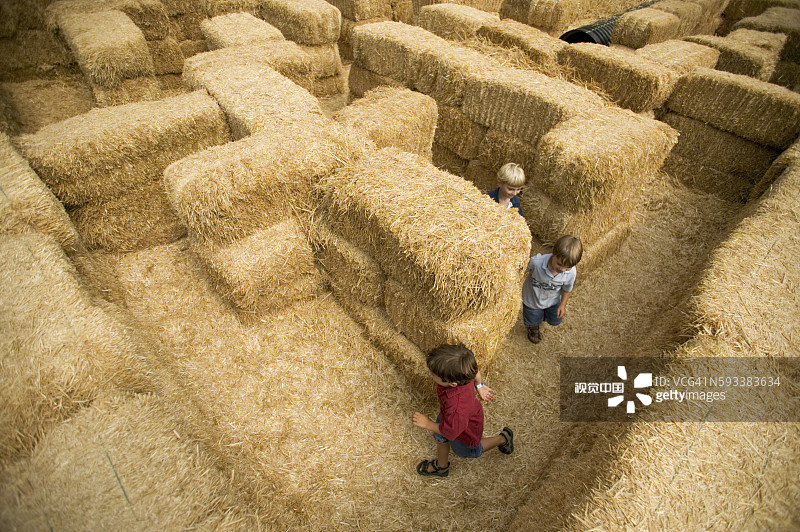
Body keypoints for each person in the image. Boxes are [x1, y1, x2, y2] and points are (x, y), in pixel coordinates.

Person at [412, 344, 514, 477]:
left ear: (452, 383)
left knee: (469, 451)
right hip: (449, 416)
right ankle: (442, 467)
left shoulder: (456, 408)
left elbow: (451, 431)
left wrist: (427, 424)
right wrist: (479, 385)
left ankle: (503, 438)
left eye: (433, 374)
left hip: (464, 431)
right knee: (440, 435)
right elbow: (475, 370)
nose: (430, 374)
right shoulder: (463, 370)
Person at [522, 235, 582, 344]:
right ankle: (533, 328)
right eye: (559, 264)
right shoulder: (536, 263)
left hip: (553, 301)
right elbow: (520, 270)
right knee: (533, 318)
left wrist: (562, 304)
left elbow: (567, 289)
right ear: (554, 252)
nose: (562, 269)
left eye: (567, 268)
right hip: (532, 300)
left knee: (554, 320)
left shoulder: (571, 272)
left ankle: (543, 317)